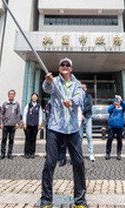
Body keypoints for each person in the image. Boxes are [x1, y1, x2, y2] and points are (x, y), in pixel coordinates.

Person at [40, 57, 87, 208]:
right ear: (59, 67)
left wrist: (72, 101)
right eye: (62, 65)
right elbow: (47, 89)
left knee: (79, 163)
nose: (65, 67)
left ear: (71, 68)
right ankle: (46, 199)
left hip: (72, 129)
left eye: (68, 65)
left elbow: (81, 96)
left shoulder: (76, 83)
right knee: (50, 162)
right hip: (55, 128)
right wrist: (48, 81)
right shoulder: (54, 81)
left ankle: (79, 200)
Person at [0, 89, 21, 159]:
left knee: (11, 139)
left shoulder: (16, 104)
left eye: (12, 94)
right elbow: (1, 114)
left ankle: (10, 153)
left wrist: (17, 123)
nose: (11, 95)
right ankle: (2, 153)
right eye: (10, 94)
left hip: (13, 124)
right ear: (8, 95)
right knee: (4, 139)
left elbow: (18, 114)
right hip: (5, 124)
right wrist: (1, 123)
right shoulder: (5, 104)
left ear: (14, 95)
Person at [105, 95, 125, 160]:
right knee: (110, 138)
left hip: (119, 125)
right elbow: (109, 111)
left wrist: (121, 100)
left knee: (119, 139)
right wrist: (114, 105)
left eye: (118, 101)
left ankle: (119, 153)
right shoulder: (112, 107)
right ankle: (108, 153)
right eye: (116, 101)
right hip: (112, 125)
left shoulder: (122, 108)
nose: (117, 102)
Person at [23, 93, 43, 159]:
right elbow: (25, 114)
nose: (34, 98)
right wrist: (24, 123)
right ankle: (26, 153)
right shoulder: (28, 105)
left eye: (35, 97)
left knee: (33, 139)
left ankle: (32, 153)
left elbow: (40, 116)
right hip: (28, 124)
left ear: (37, 98)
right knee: (28, 139)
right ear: (31, 98)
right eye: (33, 96)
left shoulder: (39, 106)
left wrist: (39, 124)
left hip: (35, 125)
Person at [81, 84, 95, 162]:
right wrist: (80, 114)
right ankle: (79, 154)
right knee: (79, 138)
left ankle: (91, 154)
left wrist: (82, 113)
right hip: (80, 118)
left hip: (88, 117)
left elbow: (89, 105)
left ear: (86, 89)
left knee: (89, 136)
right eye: (81, 88)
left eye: (84, 88)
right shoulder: (78, 96)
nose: (82, 89)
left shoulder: (88, 96)